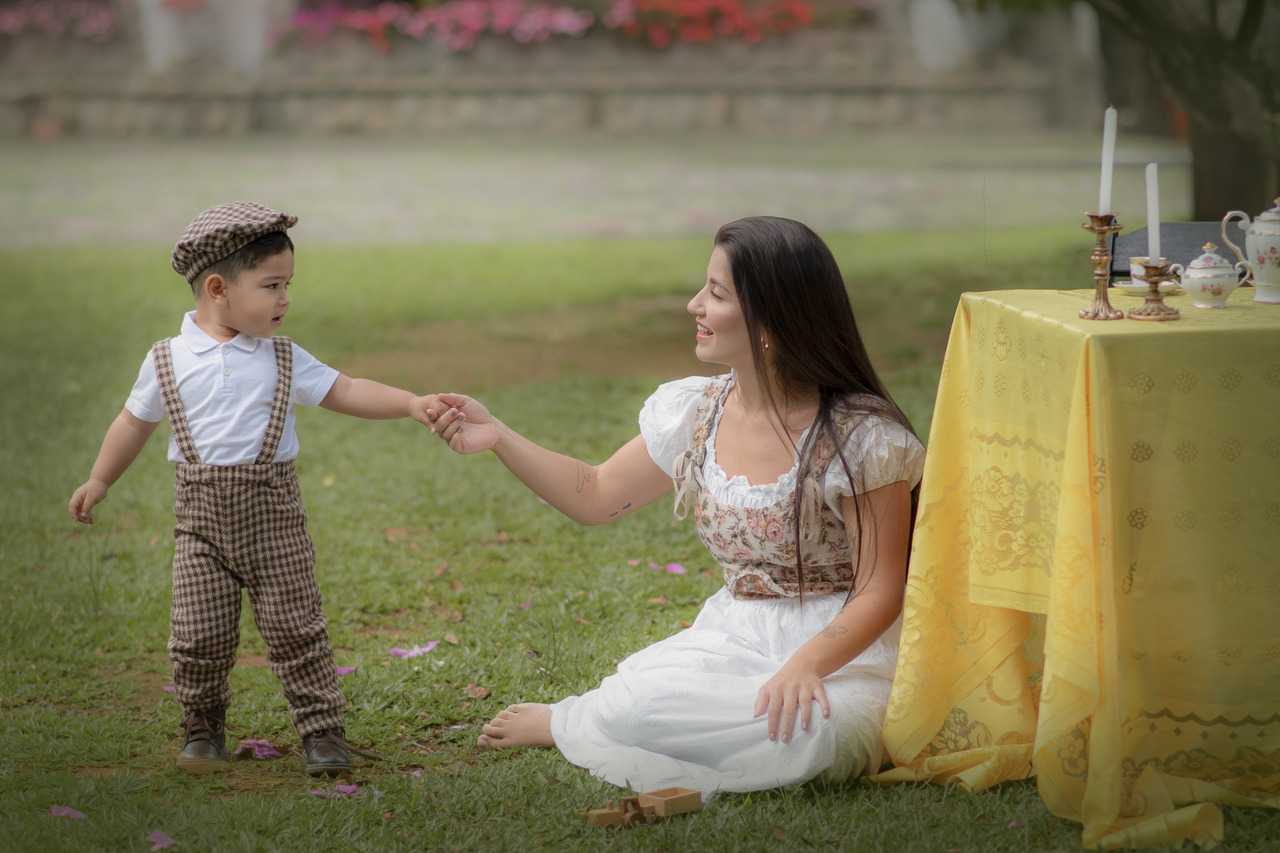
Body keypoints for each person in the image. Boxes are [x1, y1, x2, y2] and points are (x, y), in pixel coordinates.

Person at [418, 216, 926, 797]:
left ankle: (622, 730)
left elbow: (880, 590)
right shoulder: (696, 411)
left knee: (817, 738)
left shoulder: (862, 439)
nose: (694, 305)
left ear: (771, 322)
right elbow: (596, 494)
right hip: (736, 633)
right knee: (635, 709)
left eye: (715, 293)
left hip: (846, 649)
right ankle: (575, 720)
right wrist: (499, 436)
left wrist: (808, 664)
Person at [69, 202, 438, 777]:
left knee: (298, 629)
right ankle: (202, 728)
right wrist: (99, 478)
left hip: (275, 525)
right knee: (197, 634)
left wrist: (412, 403)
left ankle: (322, 733)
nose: (285, 299)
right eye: (272, 285)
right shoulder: (167, 360)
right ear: (218, 288)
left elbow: (348, 390)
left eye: (287, 284)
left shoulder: (282, 358)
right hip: (201, 531)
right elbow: (132, 423)